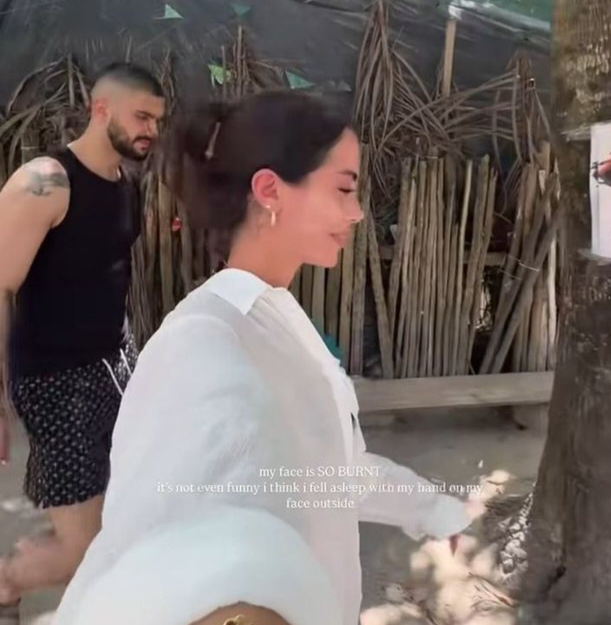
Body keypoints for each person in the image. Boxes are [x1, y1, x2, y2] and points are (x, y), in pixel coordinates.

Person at [52, 91, 473, 625]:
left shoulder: (272, 316)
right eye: (344, 188)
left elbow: (323, 471)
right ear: (270, 190)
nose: (358, 211)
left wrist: (433, 509)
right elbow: (173, 543)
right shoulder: (204, 343)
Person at [0, 62, 165, 617]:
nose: (151, 130)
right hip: (55, 383)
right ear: (101, 109)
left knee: (129, 508)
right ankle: (6, 581)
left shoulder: (125, 182)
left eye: (156, 120)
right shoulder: (45, 182)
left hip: (115, 364)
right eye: (141, 116)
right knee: (81, 551)